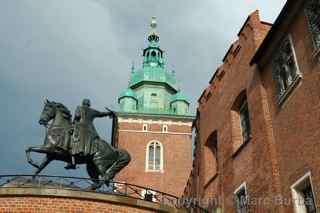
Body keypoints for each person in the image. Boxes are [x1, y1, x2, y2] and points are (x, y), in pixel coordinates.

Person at [65, 99, 112, 169]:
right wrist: (109, 113)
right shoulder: (92, 111)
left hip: (80, 128)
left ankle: (72, 162)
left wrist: (73, 122)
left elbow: (77, 116)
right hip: (90, 130)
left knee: (72, 140)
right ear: (89, 104)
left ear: (83, 103)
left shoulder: (79, 108)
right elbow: (101, 114)